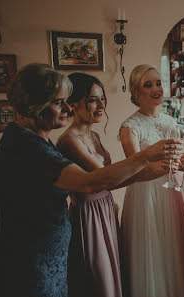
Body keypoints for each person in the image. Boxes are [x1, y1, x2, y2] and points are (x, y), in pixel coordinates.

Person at [0, 63, 181, 297]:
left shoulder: (35, 140)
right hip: (31, 261)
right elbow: (91, 182)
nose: (67, 107)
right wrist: (145, 157)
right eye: (58, 102)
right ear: (35, 105)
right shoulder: (30, 149)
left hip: (46, 256)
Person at [118, 64, 184, 297]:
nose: (156, 88)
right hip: (147, 195)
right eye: (147, 85)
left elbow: (179, 161)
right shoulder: (130, 127)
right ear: (136, 93)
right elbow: (135, 170)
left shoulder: (171, 122)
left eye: (158, 83)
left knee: (176, 247)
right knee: (153, 250)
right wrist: (172, 164)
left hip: (175, 191)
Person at [56, 73, 121, 297]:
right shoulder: (70, 141)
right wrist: (146, 160)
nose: (102, 105)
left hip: (106, 209)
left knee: (111, 272)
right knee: (97, 279)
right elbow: (104, 176)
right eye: (93, 99)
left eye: (102, 98)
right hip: (88, 214)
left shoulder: (94, 135)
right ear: (73, 104)